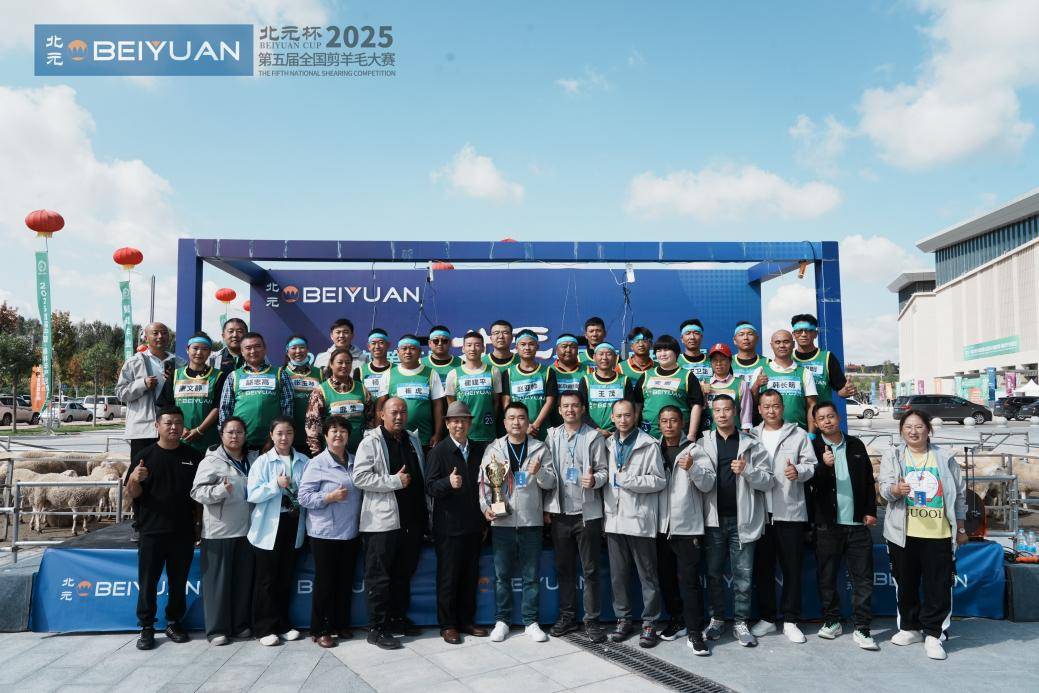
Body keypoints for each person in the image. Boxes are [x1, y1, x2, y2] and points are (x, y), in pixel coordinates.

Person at [879, 410, 967, 661]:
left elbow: (959, 495)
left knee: (938, 585)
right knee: (905, 583)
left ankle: (934, 633)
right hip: (903, 533)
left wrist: (961, 529)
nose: (913, 431)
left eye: (919, 426)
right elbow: (883, 490)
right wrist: (895, 489)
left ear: (929, 429)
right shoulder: (893, 456)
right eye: (908, 427)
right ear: (901, 431)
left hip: (938, 533)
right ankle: (910, 628)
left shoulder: (945, 457)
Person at [124, 406, 203, 650]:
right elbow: (131, 494)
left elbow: (199, 497)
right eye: (168, 423)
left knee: (178, 582)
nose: (173, 427)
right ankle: (146, 627)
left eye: (178, 422)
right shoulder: (144, 456)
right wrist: (134, 478)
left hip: (182, 531)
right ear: (157, 426)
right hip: (151, 531)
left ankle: (174, 622)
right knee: (148, 581)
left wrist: (199, 526)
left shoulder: (194, 456)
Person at [353, 397, 427, 650]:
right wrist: (394, 481)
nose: (399, 416)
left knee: (402, 574)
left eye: (403, 412)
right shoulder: (370, 442)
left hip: (411, 520)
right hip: (381, 522)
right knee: (379, 577)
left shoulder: (412, 439)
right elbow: (359, 477)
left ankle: (396, 619)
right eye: (393, 412)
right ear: (381, 415)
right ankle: (377, 628)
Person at [697, 395, 771, 647]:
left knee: (743, 576)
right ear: (712, 413)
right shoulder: (702, 443)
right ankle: (717, 619)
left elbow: (768, 481)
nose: (722, 414)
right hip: (713, 521)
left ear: (736, 412)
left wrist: (747, 470)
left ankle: (741, 622)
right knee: (713, 574)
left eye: (727, 409)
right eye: (717, 410)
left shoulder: (751, 444)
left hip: (743, 521)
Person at [481, 402, 557, 643]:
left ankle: (530, 622)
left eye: (521, 417)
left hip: (530, 521)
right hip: (501, 522)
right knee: (501, 576)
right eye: (511, 418)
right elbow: (483, 484)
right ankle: (502, 621)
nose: (516, 422)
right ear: (504, 423)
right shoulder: (493, 448)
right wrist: (485, 508)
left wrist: (539, 472)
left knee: (531, 576)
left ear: (528, 422)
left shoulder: (539, 448)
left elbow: (551, 482)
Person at [810, 402, 879, 650]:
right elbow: (809, 485)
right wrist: (823, 466)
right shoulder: (812, 448)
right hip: (827, 525)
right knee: (827, 577)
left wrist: (870, 510)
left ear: (838, 418)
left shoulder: (856, 444)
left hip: (858, 523)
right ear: (816, 423)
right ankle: (832, 620)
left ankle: (862, 627)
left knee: (863, 579)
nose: (827, 421)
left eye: (830, 416)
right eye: (821, 418)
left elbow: (868, 480)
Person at [749, 390, 817, 643]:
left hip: (790, 511)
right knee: (763, 569)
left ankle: (790, 620)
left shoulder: (798, 434)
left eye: (776, 406)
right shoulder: (750, 436)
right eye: (766, 406)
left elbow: (811, 465)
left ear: (783, 408)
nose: (771, 410)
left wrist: (798, 471)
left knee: (792, 568)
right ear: (759, 409)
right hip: (759, 513)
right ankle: (767, 618)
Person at [544, 392, 609, 643]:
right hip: (560, 514)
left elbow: (604, 471)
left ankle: (592, 620)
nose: (570, 410)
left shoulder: (594, 437)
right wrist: (546, 507)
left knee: (591, 570)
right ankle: (567, 617)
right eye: (565, 406)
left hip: (587, 514)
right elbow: (547, 473)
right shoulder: (552, 436)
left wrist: (595, 480)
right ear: (559, 410)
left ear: (583, 409)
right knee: (564, 569)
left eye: (575, 406)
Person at [425, 401, 490, 644]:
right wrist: (447, 483)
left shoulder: (479, 450)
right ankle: (448, 624)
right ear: (447, 424)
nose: (459, 425)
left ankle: (466, 621)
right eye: (454, 421)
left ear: (470, 423)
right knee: (448, 578)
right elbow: (429, 487)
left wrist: (485, 520)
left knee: (470, 576)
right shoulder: (439, 451)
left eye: (463, 420)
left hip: (474, 525)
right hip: (448, 527)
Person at [602, 399, 666, 648]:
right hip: (614, 518)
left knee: (647, 575)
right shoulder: (607, 444)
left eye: (627, 415)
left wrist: (628, 480)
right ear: (612, 417)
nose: (623, 420)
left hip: (639, 519)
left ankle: (650, 622)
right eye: (618, 416)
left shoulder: (649, 444)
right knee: (618, 576)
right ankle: (623, 619)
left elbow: (659, 480)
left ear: (635, 416)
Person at [298, 415, 363, 648]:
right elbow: (303, 497)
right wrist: (329, 497)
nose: (338, 435)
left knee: (345, 581)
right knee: (325, 583)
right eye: (333, 431)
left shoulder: (355, 461)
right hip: (324, 533)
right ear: (325, 436)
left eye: (343, 431)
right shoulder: (317, 463)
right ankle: (320, 629)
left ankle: (340, 624)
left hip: (350, 531)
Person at [190, 416, 256, 645]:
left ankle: (240, 624)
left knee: (242, 582)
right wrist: (219, 491)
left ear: (245, 435)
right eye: (230, 432)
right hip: (219, 531)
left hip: (247, 531)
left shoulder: (253, 459)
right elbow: (196, 492)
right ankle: (217, 629)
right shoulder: (211, 461)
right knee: (217, 584)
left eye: (239, 432)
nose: (235, 436)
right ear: (221, 435)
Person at [246, 417, 308, 646]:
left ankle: (283, 624)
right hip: (268, 527)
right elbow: (252, 494)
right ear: (271, 435)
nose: (284, 438)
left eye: (289, 433)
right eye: (279, 433)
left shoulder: (304, 461)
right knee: (266, 580)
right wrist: (276, 485)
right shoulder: (262, 462)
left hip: (293, 523)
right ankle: (264, 628)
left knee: (285, 578)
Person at [657, 405, 713, 656]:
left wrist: (692, 467)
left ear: (682, 423)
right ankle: (677, 620)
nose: (669, 425)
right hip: (660, 526)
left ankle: (695, 631)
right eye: (664, 421)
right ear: (659, 424)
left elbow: (708, 483)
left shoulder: (694, 450)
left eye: (673, 421)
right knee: (667, 580)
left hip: (687, 527)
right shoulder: (653, 449)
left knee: (689, 583)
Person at [117, 322, 185, 461]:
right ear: (146, 337)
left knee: (169, 469)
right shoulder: (133, 362)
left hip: (171, 429)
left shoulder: (180, 363)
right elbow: (120, 393)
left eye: (164, 333)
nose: (160, 336)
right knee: (141, 470)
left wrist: (175, 381)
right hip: (143, 431)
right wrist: (142, 384)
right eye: (155, 333)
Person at [219, 332, 294, 451]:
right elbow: (225, 409)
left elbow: (287, 410)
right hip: (240, 443)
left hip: (272, 443)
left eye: (257, 346)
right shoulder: (233, 376)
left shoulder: (280, 374)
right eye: (248, 348)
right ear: (242, 351)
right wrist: (228, 437)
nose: (253, 351)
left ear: (265, 349)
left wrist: (275, 439)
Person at [158, 331, 225, 454]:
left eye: (204, 349)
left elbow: (218, 407)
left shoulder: (218, 376)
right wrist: (181, 428)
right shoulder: (175, 375)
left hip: (208, 439)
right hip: (179, 437)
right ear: (187, 350)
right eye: (195, 348)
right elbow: (166, 405)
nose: (199, 352)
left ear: (210, 352)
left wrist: (199, 430)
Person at [378, 334, 446, 451]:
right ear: (397, 352)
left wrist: (437, 434)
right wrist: (379, 433)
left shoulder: (431, 373)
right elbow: (380, 407)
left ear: (419, 352)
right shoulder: (388, 374)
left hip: (424, 439)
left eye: (412, 348)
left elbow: (438, 406)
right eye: (404, 348)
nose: (408, 352)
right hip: (395, 439)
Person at [305, 347, 370, 456]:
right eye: (340, 362)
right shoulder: (320, 391)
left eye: (348, 363)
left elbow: (371, 421)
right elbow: (313, 426)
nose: (344, 366)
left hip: (360, 452)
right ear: (331, 364)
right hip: (332, 454)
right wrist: (317, 454)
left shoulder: (362, 389)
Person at [639, 335, 705, 440]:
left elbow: (697, 405)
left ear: (676, 352)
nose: (662, 354)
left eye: (666, 350)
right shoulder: (647, 375)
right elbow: (637, 404)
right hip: (648, 436)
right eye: (659, 351)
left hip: (679, 437)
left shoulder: (687, 376)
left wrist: (692, 434)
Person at [444, 331, 502, 444]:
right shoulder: (453, 374)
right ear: (463, 349)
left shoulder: (493, 371)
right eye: (469, 345)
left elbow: (496, 402)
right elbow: (452, 405)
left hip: (487, 434)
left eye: (477, 345)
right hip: (463, 435)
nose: (473, 349)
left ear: (483, 348)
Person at [501, 330, 558, 440]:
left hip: (541, 432)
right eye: (523, 344)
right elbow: (506, 402)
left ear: (537, 347)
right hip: (516, 431)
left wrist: (535, 426)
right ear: (516, 348)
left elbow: (550, 401)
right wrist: (518, 425)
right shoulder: (508, 373)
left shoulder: (547, 372)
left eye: (531, 344)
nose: (527, 348)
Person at [756, 330, 817, 433]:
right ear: (771, 345)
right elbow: (751, 403)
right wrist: (756, 385)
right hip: (767, 433)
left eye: (786, 342)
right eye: (778, 342)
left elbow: (811, 405)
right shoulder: (760, 371)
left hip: (798, 433)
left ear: (793, 344)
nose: (782, 345)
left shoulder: (805, 372)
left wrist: (811, 434)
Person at [578, 342, 642, 436]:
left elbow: (630, 409)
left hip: (618, 434)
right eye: (601, 354)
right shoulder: (586, 380)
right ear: (594, 357)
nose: (604, 358)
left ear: (615, 358)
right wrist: (597, 429)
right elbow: (581, 410)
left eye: (609, 354)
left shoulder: (624, 380)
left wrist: (617, 432)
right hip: (591, 433)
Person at [791, 313, 855, 403]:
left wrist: (847, 391)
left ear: (815, 334)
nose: (803, 334)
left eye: (808, 331)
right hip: (796, 412)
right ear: (793, 334)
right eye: (799, 331)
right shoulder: (787, 358)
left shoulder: (827, 357)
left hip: (821, 411)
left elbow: (841, 391)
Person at [283, 335, 323, 454]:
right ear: (287, 351)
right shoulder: (282, 373)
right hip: (290, 434)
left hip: (315, 435)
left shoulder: (319, 373)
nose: (298, 351)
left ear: (307, 350)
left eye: (302, 347)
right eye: (293, 348)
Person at [702, 343, 754, 432]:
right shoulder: (704, 383)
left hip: (734, 435)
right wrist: (702, 394)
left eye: (722, 360)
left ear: (730, 361)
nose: (718, 363)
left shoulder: (741, 384)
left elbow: (746, 415)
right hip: (709, 435)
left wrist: (745, 436)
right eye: (715, 360)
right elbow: (698, 410)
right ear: (711, 362)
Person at [730, 322, 769, 409]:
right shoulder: (728, 363)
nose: (746, 338)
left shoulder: (768, 363)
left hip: (761, 413)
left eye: (750, 334)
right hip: (734, 413)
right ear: (734, 340)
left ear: (757, 339)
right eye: (741, 334)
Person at [358, 328, 393, 400]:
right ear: (369, 346)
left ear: (388, 345)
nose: (377, 346)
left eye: (381, 342)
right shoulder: (360, 371)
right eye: (373, 343)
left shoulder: (397, 370)